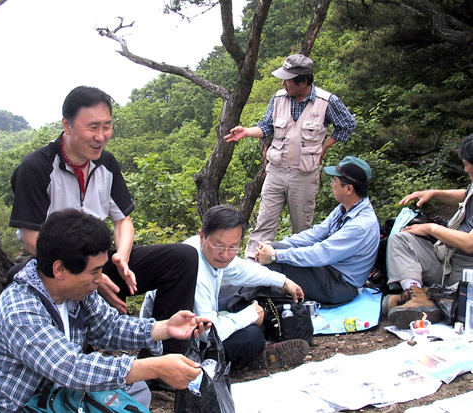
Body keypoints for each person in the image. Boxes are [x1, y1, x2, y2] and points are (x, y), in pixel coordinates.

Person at [9, 86, 198, 353]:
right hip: (53, 265)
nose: (101, 136)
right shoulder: (36, 168)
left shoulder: (106, 164)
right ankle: (72, 357)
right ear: (67, 125)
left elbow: (123, 221)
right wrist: (92, 277)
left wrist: (121, 256)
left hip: (99, 259)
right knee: (18, 277)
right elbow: (32, 241)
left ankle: (166, 359)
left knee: (182, 258)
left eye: (107, 126)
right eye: (93, 127)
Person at [0, 209, 210, 412]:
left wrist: (165, 327)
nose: (100, 279)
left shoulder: (77, 292)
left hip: (59, 398)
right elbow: (71, 368)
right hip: (15, 407)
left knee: (136, 389)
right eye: (94, 271)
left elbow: (109, 327)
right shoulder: (20, 311)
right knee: (131, 385)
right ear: (60, 270)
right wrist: (155, 367)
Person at [141, 205, 309, 370]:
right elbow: (208, 332)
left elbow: (242, 270)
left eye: (233, 247)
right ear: (202, 236)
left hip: (203, 316)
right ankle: (257, 355)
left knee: (248, 297)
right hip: (174, 344)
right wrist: (250, 315)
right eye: (219, 246)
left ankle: (260, 345)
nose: (225, 254)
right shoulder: (193, 268)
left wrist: (283, 281)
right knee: (251, 338)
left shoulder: (208, 251)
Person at [224, 53, 356, 259]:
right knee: (264, 223)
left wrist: (325, 146)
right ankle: (252, 264)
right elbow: (266, 126)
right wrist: (246, 131)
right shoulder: (278, 98)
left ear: (303, 82)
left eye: (288, 80)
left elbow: (347, 125)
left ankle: (296, 267)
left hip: (304, 175)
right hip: (275, 172)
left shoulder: (326, 102)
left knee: (302, 229)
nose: (283, 83)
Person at [255, 156, 379, 306]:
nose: (332, 184)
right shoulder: (345, 208)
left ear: (349, 189)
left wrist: (275, 255)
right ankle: (268, 300)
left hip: (340, 285)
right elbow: (315, 234)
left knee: (277, 263)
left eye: (335, 181)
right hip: (329, 272)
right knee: (274, 251)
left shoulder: (360, 226)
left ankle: (268, 307)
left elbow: (321, 253)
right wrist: (276, 246)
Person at [383, 135, 473, 328]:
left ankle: (436, 300)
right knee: (401, 239)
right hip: (447, 259)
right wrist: (433, 193)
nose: (465, 170)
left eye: (467, 165)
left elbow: (469, 244)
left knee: (460, 302)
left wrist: (431, 228)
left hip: (466, 272)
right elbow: (466, 195)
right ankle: (417, 295)